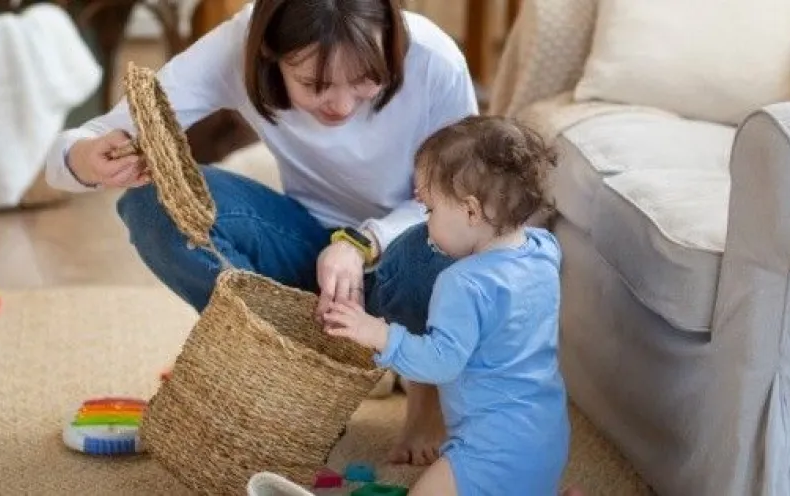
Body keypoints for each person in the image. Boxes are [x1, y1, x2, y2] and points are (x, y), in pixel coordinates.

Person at [43, 0, 477, 465]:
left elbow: (469, 200)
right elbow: (71, 151)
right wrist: (84, 158)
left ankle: (423, 390)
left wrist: (361, 242)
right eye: (315, 84)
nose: (342, 104)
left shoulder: (434, 60)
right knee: (151, 206)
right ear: (270, 53)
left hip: (407, 259)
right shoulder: (238, 44)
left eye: (368, 80)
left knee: (453, 237)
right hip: (305, 247)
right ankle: (294, 366)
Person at [322, 115, 572, 496]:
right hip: (547, 434)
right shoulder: (543, 250)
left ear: (472, 212)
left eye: (430, 210)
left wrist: (378, 333)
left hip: (489, 449)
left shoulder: (462, 283)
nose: (426, 223)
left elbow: (440, 362)